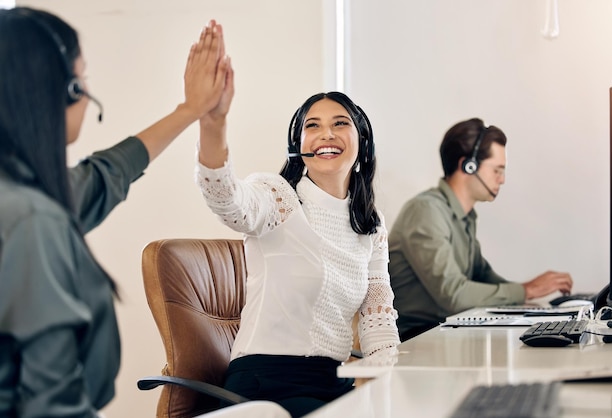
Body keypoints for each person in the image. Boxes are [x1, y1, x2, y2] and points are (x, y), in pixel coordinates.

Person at [0, 7, 225, 416]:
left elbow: (104, 175)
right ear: (62, 91)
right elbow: (53, 406)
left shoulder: (25, 192)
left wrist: (191, 110)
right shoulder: (32, 219)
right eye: (81, 79)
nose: (87, 94)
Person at [194, 30, 400, 416]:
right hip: (267, 384)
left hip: (333, 381)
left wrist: (388, 381)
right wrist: (213, 122)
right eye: (312, 126)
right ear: (298, 144)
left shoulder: (369, 224)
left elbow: (378, 316)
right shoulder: (278, 197)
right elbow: (226, 200)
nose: (326, 134)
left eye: (340, 124)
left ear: (362, 143)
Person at [388, 117, 574, 341]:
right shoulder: (426, 211)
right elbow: (454, 294)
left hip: (444, 334)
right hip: (414, 341)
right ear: (468, 165)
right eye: (497, 170)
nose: (502, 180)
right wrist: (527, 290)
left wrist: (530, 298)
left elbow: (481, 275)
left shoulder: (464, 217)